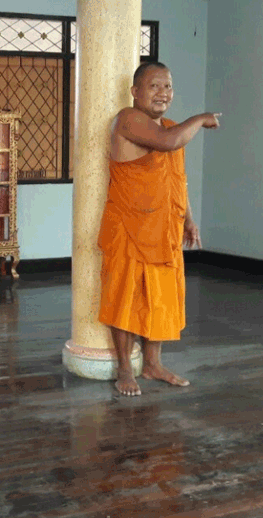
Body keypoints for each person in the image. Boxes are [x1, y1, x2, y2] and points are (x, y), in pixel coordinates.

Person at [97, 61, 221, 397]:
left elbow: (176, 178)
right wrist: (201, 118)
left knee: (161, 298)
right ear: (135, 92)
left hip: (164, 228)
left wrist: (189, 219)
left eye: (167, 86)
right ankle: (125, 369)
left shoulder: (169, 126)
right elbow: (167, 142)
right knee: (125, 299)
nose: (162, 93)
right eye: (154, 86)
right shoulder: (128, 119)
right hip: (129, 228)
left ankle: (152, 364)